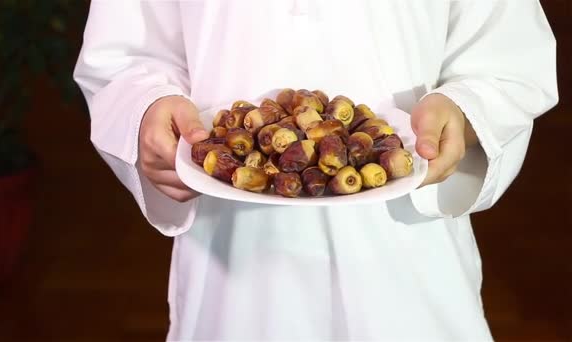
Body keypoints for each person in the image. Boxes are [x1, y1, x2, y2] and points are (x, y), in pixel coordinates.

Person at [73, 1, 558, 340]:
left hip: (407, 262)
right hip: (235, 265)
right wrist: (148, 108)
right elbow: (127, 54)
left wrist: (462, 111)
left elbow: (509, 58)